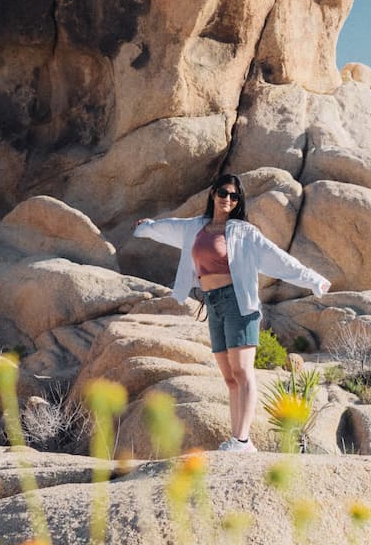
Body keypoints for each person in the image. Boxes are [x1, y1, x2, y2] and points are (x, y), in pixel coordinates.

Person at [133, 173, 330, 452]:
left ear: (238, 201)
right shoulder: (196, 227)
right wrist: (148, 227)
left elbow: (278, 259)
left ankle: (242, 440)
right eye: (224, 193)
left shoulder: (244, 232)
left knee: (242, 371)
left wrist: (313, 279)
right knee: (229, 377)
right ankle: (237, 439)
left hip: (238, 302)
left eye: (234, 196)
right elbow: (169, 228)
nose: (228, 199)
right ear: (213, 194)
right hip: (213, 303)